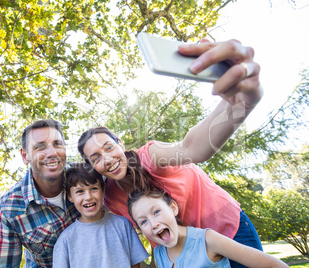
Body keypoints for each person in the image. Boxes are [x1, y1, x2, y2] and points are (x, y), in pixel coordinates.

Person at [77, 39, 264, 268]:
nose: (106, 159)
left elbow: (192, 148)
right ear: (91, 166)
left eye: (108, 148)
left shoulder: (151, 156)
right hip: (182, 255)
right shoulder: (110, 197)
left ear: (120, 144)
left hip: (227, 230)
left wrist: (238, 105)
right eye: (95, 158)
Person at [0, 119, 80, 267]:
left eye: (57, 144)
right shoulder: (9, 210)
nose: (52, 153)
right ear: (25, 156)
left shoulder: (89, 178)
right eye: (40, 147)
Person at [127, 188, 289, 268]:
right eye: (143, 222)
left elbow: (273, 265)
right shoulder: (159, 255)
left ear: (173, 208)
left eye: (156, 212)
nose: (153, 224)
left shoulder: (207, 240)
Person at [52, 163, 149, 268]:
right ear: (70, 197)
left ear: (103, 189)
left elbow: (135, 265)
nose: (88, 197)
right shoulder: (65, 240)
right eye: (80, 191)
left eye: (94, 189)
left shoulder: (123, 225)